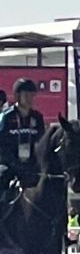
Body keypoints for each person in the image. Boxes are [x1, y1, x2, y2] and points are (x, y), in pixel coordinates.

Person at [0, 79, 46, 226]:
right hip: (8, 165)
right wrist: (14, 164)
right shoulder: (7, 117)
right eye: (26, 95)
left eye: (32, 95)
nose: (30, 99)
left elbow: (41, 143)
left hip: (32, 166)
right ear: (18, 96)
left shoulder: (37, 118)